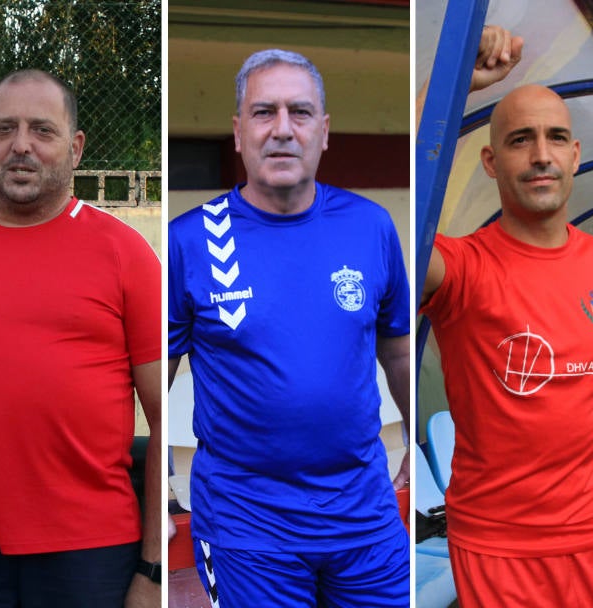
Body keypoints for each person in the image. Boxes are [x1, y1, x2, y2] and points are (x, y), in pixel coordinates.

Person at [419, 30, 593, 607]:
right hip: (501, 552)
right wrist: (451, 81)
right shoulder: (460, 267)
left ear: (576, 155)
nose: (542, 155)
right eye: (520, 140)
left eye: (556, 138)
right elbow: (395, 232)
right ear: (490, 160)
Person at [168, 49, 411, 607]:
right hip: (248, 526)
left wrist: (413, 455)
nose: (282, 129)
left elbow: (398, 352)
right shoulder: (191, 240)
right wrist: (154, 489)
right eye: (264, 112)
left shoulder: (371, 226)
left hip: (364, 516)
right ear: (238, 132)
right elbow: (156, 375)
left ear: (324, 131)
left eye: (299, 112)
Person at [0, 69, 162, 608]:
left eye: (42, 130)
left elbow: (164, 415)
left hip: (93, 552)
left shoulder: (125, 253)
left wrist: (152, 573)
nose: (21, 145)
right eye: (5, 129)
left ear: (75, 148)